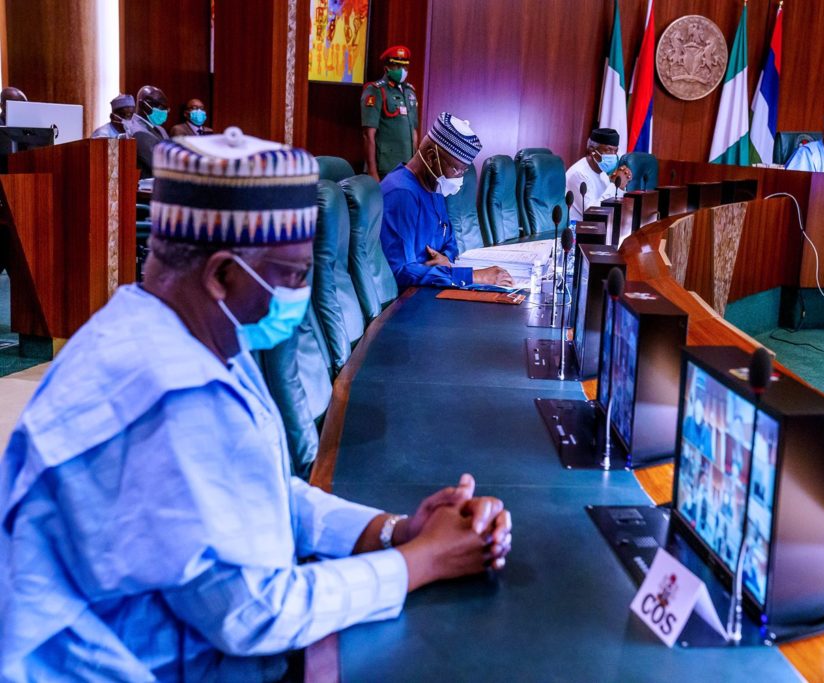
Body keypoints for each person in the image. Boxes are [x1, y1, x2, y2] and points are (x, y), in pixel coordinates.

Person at [0, 129, 512, 681]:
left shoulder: (184, 327)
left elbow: (260, 488)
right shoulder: (171, 393)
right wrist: (423, 562)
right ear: (222, 274)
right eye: (292, 276)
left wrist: (395, 532)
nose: (300, 293)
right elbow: (255, 612)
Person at [381, 112, 513, 288]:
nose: (458, 179)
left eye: (463, 172)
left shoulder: (434, 186)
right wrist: (474, 276)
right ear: (431, 157)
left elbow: (449, 243)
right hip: (410, 300)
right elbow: (402, 271)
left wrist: (446, 260)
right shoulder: (401, 194)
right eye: (456, 169)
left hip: (434, 287)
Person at [361, 45, 419, 181]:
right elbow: (368, 135)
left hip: (407, 168)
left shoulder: (409, 92)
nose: (402, 70)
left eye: (405, 67)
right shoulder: (375, 90)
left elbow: (414, 133)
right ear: (387, 67)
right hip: (385, 168)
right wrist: (372, 171)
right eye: (397, 66)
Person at [564, 128, 633, 221]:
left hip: (599, 227)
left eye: (615, 151)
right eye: (608, 150)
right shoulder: (578, 174)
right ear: (592, 151)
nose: (613, 155)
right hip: (578, 229)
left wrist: (621, 186)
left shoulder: (603, 173)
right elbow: (593, 214)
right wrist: (615, 186)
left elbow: (614, 206)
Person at [125, 85, 171, 178]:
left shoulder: (160, 129)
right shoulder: (138, 132)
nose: (165, 112)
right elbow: (163, 166)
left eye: (166, 109)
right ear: (143, 105)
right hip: (147, 189)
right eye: (161, 107)